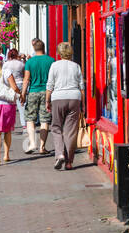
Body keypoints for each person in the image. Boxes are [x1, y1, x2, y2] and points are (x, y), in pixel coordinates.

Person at [45, 42, 84, 171]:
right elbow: (81, 86)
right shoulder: (76, 66)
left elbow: (50, 85)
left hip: (58, 98)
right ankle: (69, 162)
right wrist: (82, 103)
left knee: (56, 127)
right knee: (71, 131)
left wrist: (47, 100)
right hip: (74, 97)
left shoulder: (54, 65)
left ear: (59, 53)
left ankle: (60, 154)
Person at [21, 39, 54, 156]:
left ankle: (32, 143)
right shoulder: (51, 61)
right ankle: (42, 146)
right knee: (45, 119)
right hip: (47, 92)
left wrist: (23, 94)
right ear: (44, 48)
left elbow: (26, 80)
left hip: (33, 92)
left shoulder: (30, 62)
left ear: (34, 49)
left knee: (30, 119)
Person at [2, 49, 27, 134]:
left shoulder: (6, 64)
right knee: (21, 106)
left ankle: (8, 124)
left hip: (10, 85)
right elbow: (24, 75)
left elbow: (3, 75)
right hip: (20, 84)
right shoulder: (21, 64)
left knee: (9, 106)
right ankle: (24, 125)